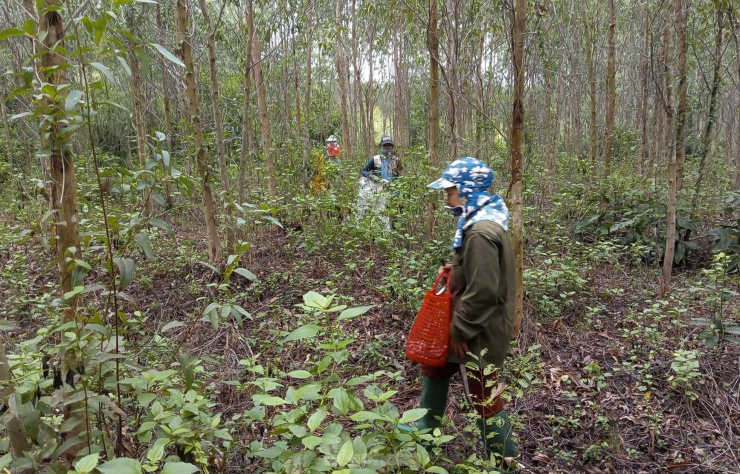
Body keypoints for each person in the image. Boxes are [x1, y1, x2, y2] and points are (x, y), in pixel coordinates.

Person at [405, 157, 518, 469]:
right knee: (435, 370)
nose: (447, 197)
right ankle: (424, 435)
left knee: (484, 392)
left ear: (468, 190)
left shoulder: (481, 232)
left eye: (451, 191)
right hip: (469, 322)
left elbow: (484, 290)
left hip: (478, 329)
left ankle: (505, 459)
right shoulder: (481, 218)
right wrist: (456, 268)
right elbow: (478, 272)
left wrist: (460, 329)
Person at [356, 135, 401, 229]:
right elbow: (364, 170)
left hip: (391, 189)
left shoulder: (396, 160)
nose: (387, 148)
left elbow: (398, 175)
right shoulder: (375, 159)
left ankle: (392, 231)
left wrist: (397, 188)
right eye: (385, 146)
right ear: (381, 146)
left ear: (392, 147)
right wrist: (371, 176)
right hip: (378, 190)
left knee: (392, 212)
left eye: (389, 146)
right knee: (378, 211)